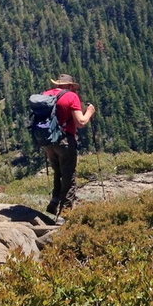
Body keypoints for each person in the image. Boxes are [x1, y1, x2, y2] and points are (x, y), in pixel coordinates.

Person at [43, 74, 96, 215]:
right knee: (69, 176)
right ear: (70, 85)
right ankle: (65, 212)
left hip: (48, 141)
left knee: (58, 172)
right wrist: (89, 112)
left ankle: (54, 201)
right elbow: (81, 122)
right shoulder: (71, 97)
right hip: (65, 140)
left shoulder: (46, 94)